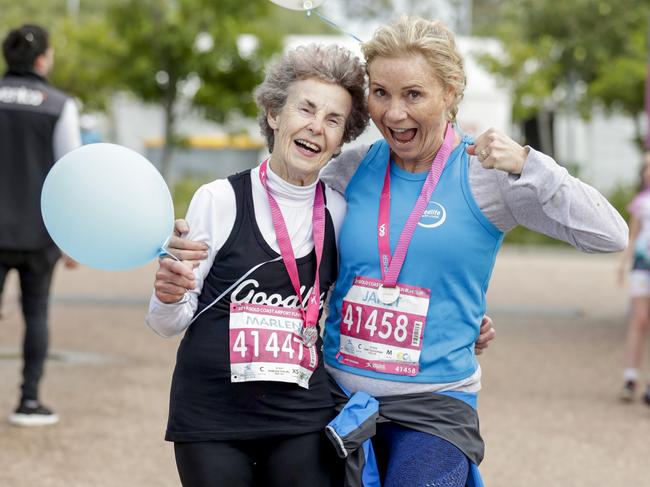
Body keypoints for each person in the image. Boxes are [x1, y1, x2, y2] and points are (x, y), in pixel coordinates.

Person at [166, 16, 625, 486]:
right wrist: (192, 242)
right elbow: (277, 210)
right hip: (338, 398)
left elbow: (609, 235)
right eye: (381, 93)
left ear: (450, 93)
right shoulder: (350, 169)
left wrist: (532, 164)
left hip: (432, 406)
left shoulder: (488, 175)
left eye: (413, 94)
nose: (394, 113)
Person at [0, 24, 81, 427]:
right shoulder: (58, 104)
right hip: (39, 233)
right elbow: (71, 171)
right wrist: (72, 239)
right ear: (41, 59)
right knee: (36, 314)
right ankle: (28, 402)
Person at [618, 151, 650, 404]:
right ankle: (630, 376)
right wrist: (623, 263)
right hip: (642, 265)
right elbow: (633, 235)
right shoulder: (641, 202)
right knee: (639, 319)